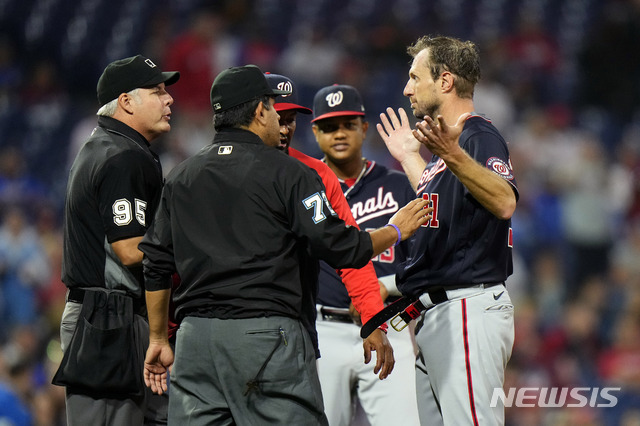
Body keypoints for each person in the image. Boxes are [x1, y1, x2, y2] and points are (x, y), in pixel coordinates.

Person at [139, 64, 431, 425]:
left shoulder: (182, 176)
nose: (281, 119)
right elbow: (341, 247)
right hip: (267, 335)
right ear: (261, 111)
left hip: (196, 339)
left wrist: (158, 337)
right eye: (275, 109)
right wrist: (395, 231)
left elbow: (155, 263)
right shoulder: (293, 175)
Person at [376, 35, 519, 425]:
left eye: (414, 77)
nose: (407, 88)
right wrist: (410, 157)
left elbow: (505, 201)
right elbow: (444, 208)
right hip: (441, 313)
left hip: (467, 309)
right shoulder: (448, 153)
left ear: (445, 81)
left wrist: (452, 154)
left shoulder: (476, 135)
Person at [56, 54, 179, 425]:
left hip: (117, 318)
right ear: (126, 101)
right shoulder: (122, 155)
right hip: (107, 321)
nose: (169, 99)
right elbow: (129, 250)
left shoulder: (110, 146)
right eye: (157, 91)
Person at [310, 83, 421, 425]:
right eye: (329, 126)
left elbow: (428, 260)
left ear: (364, 127)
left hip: (390, 324)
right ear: (315, 132)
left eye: (347, 124)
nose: (339, 134)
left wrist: (384, 288)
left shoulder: (398, 184)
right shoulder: (304, 185)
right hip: (323, 329)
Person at [263, 72, 385, 360]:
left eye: (290, 120)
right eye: (278, 119)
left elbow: (347, 250)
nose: (284, 129)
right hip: (231, 319)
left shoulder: (315, 173)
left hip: (292, 323)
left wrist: (372, 317)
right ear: (257, 115)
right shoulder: (220, 169)